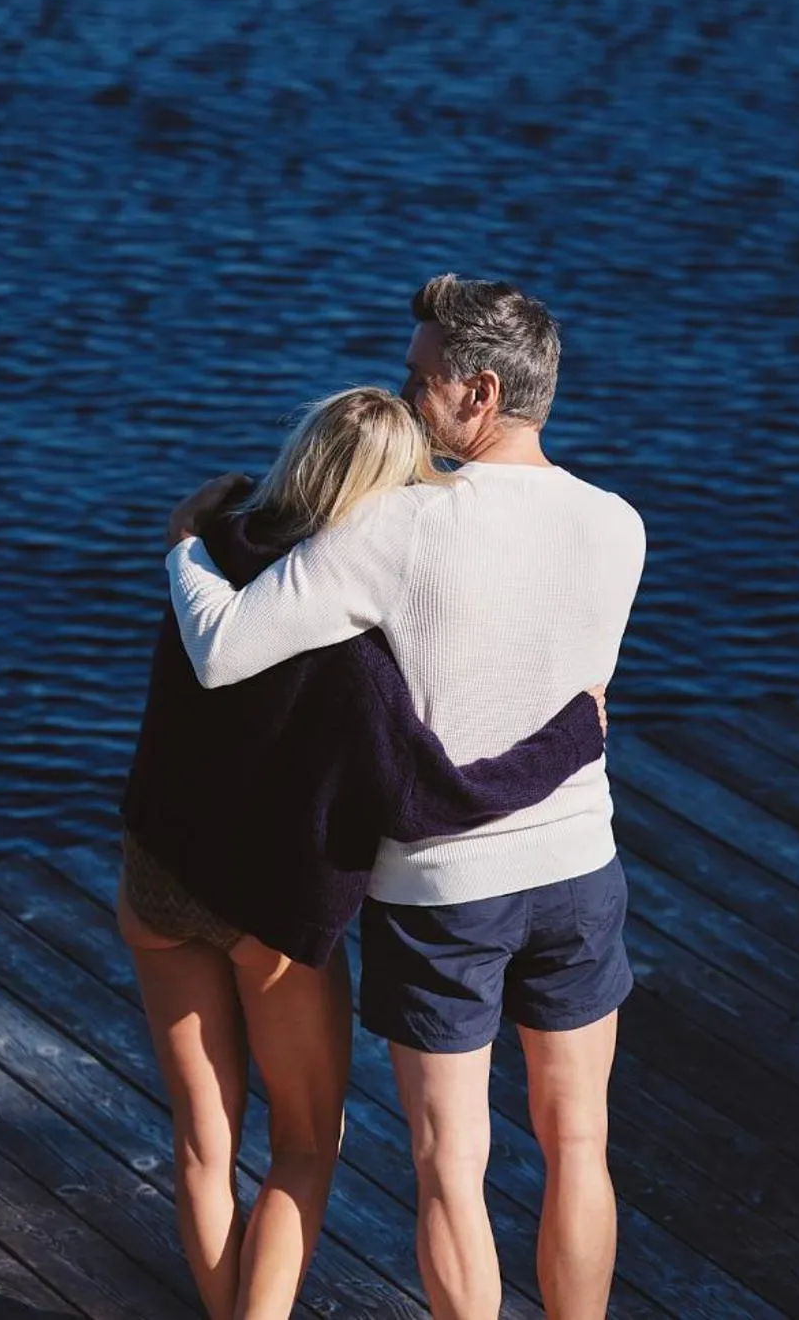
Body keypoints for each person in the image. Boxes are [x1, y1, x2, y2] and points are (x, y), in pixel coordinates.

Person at [164, 277, 645, 1320]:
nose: (405, 393)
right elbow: (586, 697)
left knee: (448, 1172)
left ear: (477, 391)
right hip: (578, 870)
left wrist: (186, 548)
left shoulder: (398, 526)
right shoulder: (616, 524)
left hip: (444, 895)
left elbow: (223, 649)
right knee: (579, 1149)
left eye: (419, 378)